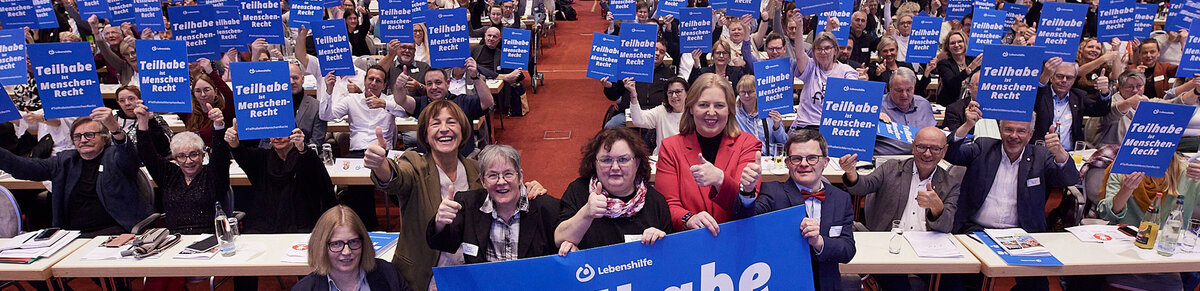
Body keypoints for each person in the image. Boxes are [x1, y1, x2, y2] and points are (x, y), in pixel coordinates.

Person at [365, 100, 546, 289]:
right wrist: (380, 166)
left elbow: (505, 194)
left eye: (451, 122)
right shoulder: (414, 164)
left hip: (471, 274)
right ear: (425, 134)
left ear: (463, 130)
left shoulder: (476, 169)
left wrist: (529, 189)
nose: (444, 129)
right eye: (436, 123)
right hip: (424, 275)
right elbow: (397, 178)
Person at [840, 126, 959, 291]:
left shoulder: (950, 183)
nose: (927, 153)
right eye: (922, 147)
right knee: (898, 284)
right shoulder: (891, 168)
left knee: (954, 283)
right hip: (888, 246)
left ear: (944, 151)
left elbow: (946, 226)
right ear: (913, 146)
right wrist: (851, 172)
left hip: (928, 251)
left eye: (935, 149)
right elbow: (862, 187)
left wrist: (936, 206)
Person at [740, 129, 855, 291]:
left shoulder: (841, 198)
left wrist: (818, 242)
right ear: (787, 163)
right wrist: (747, 191)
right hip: (783, 284)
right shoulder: (773, 191)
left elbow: (848, 250)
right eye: (796, 158)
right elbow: (746, 221)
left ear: (825, 161)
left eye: (812, 158)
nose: (804, 164)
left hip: (827, 285)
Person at [0, 113, 148, 237]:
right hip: (71, 236)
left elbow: (129, 155)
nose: (83, 140)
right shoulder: (65, 161)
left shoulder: (115, 157)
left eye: (89, 135)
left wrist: (115, 129)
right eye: (77, 136)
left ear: (104, 138)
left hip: (115, 233)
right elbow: (24, 168)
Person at [947, 102, 1079, 235]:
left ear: (1031, 134)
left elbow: (1069, 179)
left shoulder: (1040, 157)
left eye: (1021, 131)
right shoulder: (983, 148)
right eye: (1009, 129)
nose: (1014, 136)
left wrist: (1059, 152)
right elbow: (950, 153)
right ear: (1000, 130)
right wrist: (967, 125)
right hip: (976, 230)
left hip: (1023, 234)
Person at [655, 73, 761, 234]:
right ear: (691, 108)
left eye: (719, 105)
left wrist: (721, 180)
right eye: (703, 105)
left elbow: (744, 209)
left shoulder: (748, 144)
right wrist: (688, 219)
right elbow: (667, 203)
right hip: (690, 239)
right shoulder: (670, 147)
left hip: (735, 238)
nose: (711, 112)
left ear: (730, 109)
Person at [426, 144, 560, 264]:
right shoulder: (467, 204)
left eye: (508, 174)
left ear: (520, 176)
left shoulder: (547, 208)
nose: (501, 182)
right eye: (493, 175)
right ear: (483, 181)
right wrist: (440, 223)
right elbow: (444, 244)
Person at [554, 128, 671, 255]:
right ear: (595, 163)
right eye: (606, 160)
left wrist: (660, 243)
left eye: (623, 159)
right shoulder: (579, 191)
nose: (615, 167)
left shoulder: (655, 201)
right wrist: (586, 214)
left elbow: (670, 255)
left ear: (637, 163)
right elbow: (559, 238)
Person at [1096, 152, 1200, 290]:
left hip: (1166, 258)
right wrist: (1126, 189)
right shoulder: (1124, 166)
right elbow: (1107, 214)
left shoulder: (1187, 171)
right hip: (1123, 252)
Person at [223, 118, 337, 234]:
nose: (278, 137)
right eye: (273, 133)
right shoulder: (261, 158)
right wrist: (234, 142)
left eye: (283, 132)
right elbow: (241, 153)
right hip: (265, 228)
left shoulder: (306, 157)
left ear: (294, 134)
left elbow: (322, 184)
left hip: (303, 226)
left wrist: (302, 148)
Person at [134, 100, 228, 235]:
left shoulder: (213, 174)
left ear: (203, 155)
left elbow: (221, 154)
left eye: (194, 154)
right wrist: (143, 122)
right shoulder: (169, 175)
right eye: (181, 156)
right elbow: (147, 154)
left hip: (210, 237)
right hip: (175, 238)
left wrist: (218, 125)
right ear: (175, 158)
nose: (188, 161)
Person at [296, 205, 413, 291]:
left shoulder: (387, 273)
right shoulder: (305, 288)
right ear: (322, 247)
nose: (347, 251)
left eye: (353, 242)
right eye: (336, 244)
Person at [391, 61, 494, 156]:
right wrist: (399, 86)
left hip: (459, 160)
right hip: (427, 162)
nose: (434, 87)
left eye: (438, 82)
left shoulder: (463, 102)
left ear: (447, 83)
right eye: (429, 84)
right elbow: (401, 100)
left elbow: (488, 102)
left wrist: (475, 77)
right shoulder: (421, 103)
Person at [1033, 57, 1112, 151]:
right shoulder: (1040, 95)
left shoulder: (1079, 97)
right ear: (1051, 77)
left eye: (1069, 78)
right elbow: (1032, 96)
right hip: (1040, 152)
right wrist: (1043, 78)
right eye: (1060, 76)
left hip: (1070, 153)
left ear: (1074, 80)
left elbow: (1101, 111)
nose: (1064, 80)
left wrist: (1104, 91)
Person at [792, 27, 861, 129]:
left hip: (833, 125)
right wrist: (799, 25)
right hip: (807, 125)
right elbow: (799, 54)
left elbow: (851, 90)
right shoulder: (810, 66)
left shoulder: (847, 71)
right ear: (814, 51)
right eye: (819, 49)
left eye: (827, 48)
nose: (823, 52)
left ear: (835, 50)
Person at [602, 40, 676, 129]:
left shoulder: (669, 74)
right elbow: (614, 96)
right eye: (655, 49)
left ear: (664, 56)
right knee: (610, 127)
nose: (657, 53)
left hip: (656, 114)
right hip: (629, 113)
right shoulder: (630, 69)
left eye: (661, 52)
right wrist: (609, 87)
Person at [262, 61, 327, 148]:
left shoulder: (317, 107)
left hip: (304, 154)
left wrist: (300, 150)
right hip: (274, 155)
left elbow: (316, 144)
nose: (291, 82)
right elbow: (264, 143)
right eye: (286, 78)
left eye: (295, 78)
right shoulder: (269, 106)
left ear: (303, 79)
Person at [877, 67, 936, 155]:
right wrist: (871, 117)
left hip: (921, 158)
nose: (904, 95)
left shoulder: (923, 104)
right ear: (890, 88)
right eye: (899, 90)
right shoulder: (876, 105)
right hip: (886, 158)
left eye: (909, 90)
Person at [1086, 70, 1148, 146]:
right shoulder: (1108, 104)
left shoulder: (1147, 101)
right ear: (1120, 88)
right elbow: (1110, 114)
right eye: (1130, 87)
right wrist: (1128, 103)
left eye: (1139, 86)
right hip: (1108, 149)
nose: (1135, 90)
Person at [628, 77, 687, 154]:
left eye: (678, 92)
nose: (674, 96)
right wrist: (633, 95)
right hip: (662, 157)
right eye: (670, 92)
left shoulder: (693, 113)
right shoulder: (661, 111)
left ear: (687, 93)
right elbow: (638, 120)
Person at [111, 85, 173, 157]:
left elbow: (166, 148)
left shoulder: (153, 118)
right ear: (118, 103)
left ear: (140, 99)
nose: (127, 103)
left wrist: (150, 121)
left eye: (131, 99)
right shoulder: (114, 120)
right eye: (122, 101)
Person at [733, 75, 787, 156]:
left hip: (769, 157)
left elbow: (784, 142)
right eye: (743, 92)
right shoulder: (734, 113)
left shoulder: (770, 111)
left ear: (758, 92)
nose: (746, 95)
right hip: (746, 157)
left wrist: (777, 127)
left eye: (750, 92)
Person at [184, 73, 236, 146]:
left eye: (207, 90)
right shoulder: (188, 112)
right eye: (198, 91)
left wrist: (211, 72)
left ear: (215, 91)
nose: (203, 94)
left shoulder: (225, 111)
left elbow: (229, 95)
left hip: (219, 151)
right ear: (193, 93)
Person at [931, 31, 977, 106]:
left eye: (960, 41)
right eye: (952, 43)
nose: (956, 45)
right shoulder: (944, 64)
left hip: (972, 104)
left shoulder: (973, 61)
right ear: (948, 47)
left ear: (965, 43)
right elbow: (951, 84)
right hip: (950, 105)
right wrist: (969, 69)